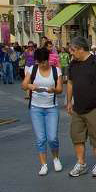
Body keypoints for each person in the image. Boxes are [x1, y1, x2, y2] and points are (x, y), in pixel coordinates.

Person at [65, 36, 96, 178]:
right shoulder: (73, 64)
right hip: (78, 107)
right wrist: (68, 101)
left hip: (95, 107)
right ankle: (81, 163)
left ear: (80, 49)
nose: (71, 53)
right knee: (76, 136)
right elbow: (70, 83)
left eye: (73, 50)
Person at [22, 47, 63, 176]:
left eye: (44, 62)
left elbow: (60, 89)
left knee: (52, 137)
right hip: (36, 108)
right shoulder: (32, 69)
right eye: (39, 62)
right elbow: (23, 85)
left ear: (48, 60)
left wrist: (53, 90)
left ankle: (56, 158)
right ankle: (44, 164)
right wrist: (30, 86)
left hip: (52, 108)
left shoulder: (56, 71)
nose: (42, 65)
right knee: (40, 138)